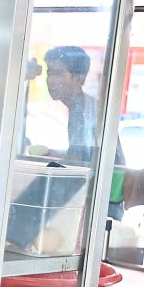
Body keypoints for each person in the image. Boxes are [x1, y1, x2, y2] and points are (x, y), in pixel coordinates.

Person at [43, 45, 125, 218]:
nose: (50, 80)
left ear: (79, 78)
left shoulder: (83, 111)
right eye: (49, 72)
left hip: (103, 202)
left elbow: (78, 163)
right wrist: (54, 153)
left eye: (58, 73)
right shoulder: (81, 107)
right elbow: (84, 153)